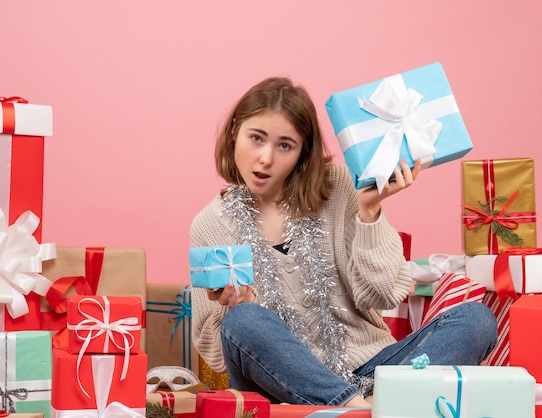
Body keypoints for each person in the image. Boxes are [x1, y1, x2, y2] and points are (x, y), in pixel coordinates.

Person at [190, 76, 498, 407]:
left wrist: (370, 211)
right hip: (282, 387)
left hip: (374, 369)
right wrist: (236, 307)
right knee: (244, 321)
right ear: (235, 130)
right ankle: (364, 408)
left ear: (301, 152)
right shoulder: (210, 224)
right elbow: (215, 349)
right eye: (256, 138)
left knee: (475, 320)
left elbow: (383, 294)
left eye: (284, 145)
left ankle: (372, 405)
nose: (265, 158)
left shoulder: (336, 186)